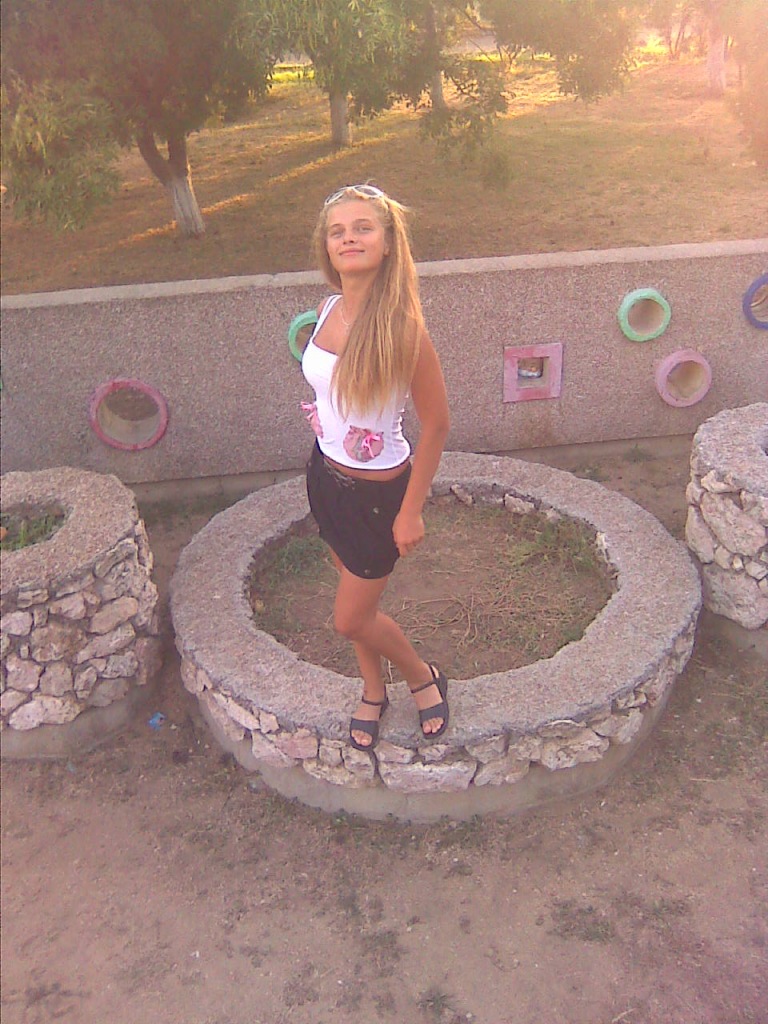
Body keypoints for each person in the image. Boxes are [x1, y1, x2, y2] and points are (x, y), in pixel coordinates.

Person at [301, 183, 451, 752]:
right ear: (327, 246)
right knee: (358, 604)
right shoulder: (327, 310)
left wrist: (411, 511)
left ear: (388, 243)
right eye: (337, 231)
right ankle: (372, 688)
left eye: (363, 228)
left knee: (349, 618)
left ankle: (421, 676)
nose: (349, 238)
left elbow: (436, 424)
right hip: (325, 479)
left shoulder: (403, 330)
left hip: (378, 498)